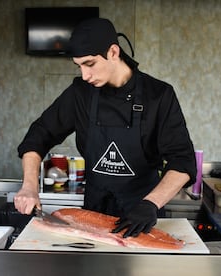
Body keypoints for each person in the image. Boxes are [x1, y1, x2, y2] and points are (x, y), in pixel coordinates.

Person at [14, 18, 196, 238]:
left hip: (142, 216)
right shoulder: (81, 93)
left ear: (113, 52)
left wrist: (150, 204)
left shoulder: (158, 95)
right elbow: (39, 135)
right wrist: (29, 187)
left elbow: (183, 160)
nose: (84, 75)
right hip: (93, 214)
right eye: (79, 66)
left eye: (89, 64)